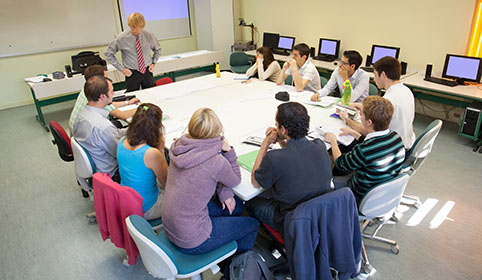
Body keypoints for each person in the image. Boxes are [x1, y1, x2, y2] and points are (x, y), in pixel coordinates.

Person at [161, 108, 259, 278]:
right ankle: (232, 272)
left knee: (235, 207)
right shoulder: (216, 161)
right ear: (217, 133)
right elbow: (234, 178)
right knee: (252, 225)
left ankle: (226, 252)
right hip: (192, 239)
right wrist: (228, 151)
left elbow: (213, 178)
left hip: (172, 224)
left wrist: (224, 192)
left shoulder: (179, 147)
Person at [246, 102, 332, 233]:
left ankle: (267, 235)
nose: (275, 126)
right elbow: (297, 155)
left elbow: (255, 181)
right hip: (319, 213)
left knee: (250, 201)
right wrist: (282, 142)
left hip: (291, 218)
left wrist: (266, 143)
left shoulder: (274, 158)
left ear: (283, 130)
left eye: (276, 124)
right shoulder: (320, 145)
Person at [325, 96, 405, 203]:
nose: (360, 116)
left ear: (369, 122)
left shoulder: (364, 150)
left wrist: (333, 141)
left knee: (322, 184)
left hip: (360, 195)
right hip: (382, 190)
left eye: (361, 114)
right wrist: (355, 134)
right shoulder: (396, 137)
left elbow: (340, 163)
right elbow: (374, 146)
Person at [338, 56, 416, 149]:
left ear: (383, 75)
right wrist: (364, 107)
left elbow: (368, 131)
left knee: (346, 145)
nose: (374, 79)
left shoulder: (388, 100)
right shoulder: (406, 91)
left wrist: (347, 120)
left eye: (375, 74)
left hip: (392, 147)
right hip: (405, 142)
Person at [116, 103, 168, 220]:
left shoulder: (121, 141)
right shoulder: (150, 154)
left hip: (127, 201)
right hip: (146, 209)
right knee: (182, 194)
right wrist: (160, 150)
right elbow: (167, 182)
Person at [73, 76, 126, 182]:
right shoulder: (104, 127)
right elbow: (121, 154)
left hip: (97, 165)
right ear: (102, 96)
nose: (113, 94)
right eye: (112, 91)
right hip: (111, 174)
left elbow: (112, 134)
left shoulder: (82, 115)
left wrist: (132, 129)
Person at [68, 65, 139, 134]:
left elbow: (109, 105)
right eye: (106, 76)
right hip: (88, 131)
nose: (107, 78)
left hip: (78, 130)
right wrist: (142, 108)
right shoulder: (98, 99)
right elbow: (123, 115)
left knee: (117, 124)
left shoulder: (89, 90)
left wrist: (127, 102)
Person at [105, 12, 161, 92]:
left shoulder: (149, 35)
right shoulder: (121, 38)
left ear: (142, 26)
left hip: (147, 71)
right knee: (132, 97)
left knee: (150, 93)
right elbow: (108, 54)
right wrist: (122, 69)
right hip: (131, 73)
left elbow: (158, 49)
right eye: (132, 27)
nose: (134, 30)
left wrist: (153, 63)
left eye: (137, 27)